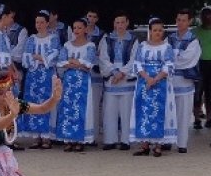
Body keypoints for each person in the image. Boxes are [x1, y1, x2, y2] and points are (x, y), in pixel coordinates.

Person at [130, 18, 178, 157]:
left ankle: (158, 145)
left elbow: (168, 65)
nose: (157, 33)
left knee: (159, 112)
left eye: (160, 30)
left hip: (161, 82)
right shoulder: (143, 46)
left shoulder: (167, 47)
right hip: (144, 83)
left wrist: (155, 79)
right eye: (155, 30)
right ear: (150, 31)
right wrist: (147, 78)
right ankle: (144, 144)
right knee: (144, 111)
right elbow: (137, 63)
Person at [54, 17, 98, 151]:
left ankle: (80, 140)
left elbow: (88, 65)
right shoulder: (67, 45)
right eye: (74, 28)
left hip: (83, 82)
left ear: (85, 29)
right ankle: (68, 139)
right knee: (67, 109)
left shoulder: (90, 46)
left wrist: (73, 62)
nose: (76, 30)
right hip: (68, 82)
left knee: (81, 109)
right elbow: (61, 62)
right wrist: (78, 63)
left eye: (79, 28)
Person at [97, 13, 138, 151]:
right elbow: (103, 58)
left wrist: (122, 73)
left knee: (126, 110)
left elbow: (134, 59)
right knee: (110, 110)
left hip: (126, 78)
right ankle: (110, 140)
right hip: (111, 78)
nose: (120, 25)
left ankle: (126, 140)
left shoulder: (133, 40)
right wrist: (114, 72)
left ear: (127, 23)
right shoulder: (107, 39)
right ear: (114, 24)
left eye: (122, 22)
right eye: (117, 23)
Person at [21, 10, 61, 148]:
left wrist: (38, 57)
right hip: (33, 75)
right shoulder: (31, 38)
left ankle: (47, 137)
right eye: (37, 22)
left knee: (47, 100)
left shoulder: (53, 38)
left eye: (42, 22)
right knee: (33, 102)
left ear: (47, 23)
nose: (39, 25)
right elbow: (26, 56)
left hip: (47, 75)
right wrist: (40, 58)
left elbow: (54, 54)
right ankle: (36, 136)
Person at [169, 10, 202, 153]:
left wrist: (171, 60)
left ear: (189, 22)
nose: (180, 23)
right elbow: (164, 55)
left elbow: (187, 60)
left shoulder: (193, 40)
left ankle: (182, 143)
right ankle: (168, 140)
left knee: (183, 113)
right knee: (169, 112)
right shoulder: (169, 38)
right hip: (169, 81)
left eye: (183, 20)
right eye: (178, 19)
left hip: (184, 81)